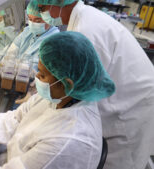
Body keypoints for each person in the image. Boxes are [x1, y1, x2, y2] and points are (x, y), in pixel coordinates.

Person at [0, 32, 115, 169]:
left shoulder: (67, 141)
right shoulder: (62, 96)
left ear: (67, 83)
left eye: (42, 74)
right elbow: (12, 121)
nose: (36, 77)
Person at [36, 0, 154, 169]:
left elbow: (76, 87)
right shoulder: (83, 18)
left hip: (131, 109)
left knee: (121, 161)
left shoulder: (86, 29)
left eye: (42, 8)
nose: (42, 14)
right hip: (126, 95)